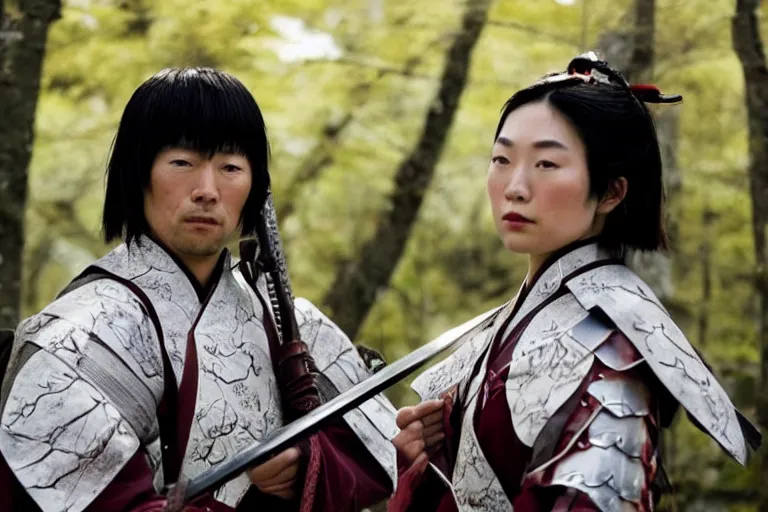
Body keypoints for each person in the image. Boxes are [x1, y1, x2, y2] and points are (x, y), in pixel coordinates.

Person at [0, 68, 398, 512]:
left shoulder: (290, 322)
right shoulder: (77, 336)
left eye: (230, 167)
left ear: (254, 188)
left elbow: (380, 449)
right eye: (182, 163)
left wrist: (303, 463)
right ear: (139, 174)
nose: (207, 191)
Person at [388, 52, 761, 511]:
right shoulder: (513, 320)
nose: (515, 186)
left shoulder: (613, 349)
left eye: (546, 164)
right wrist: (437, 453)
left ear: (611, 191)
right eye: (502, 159)